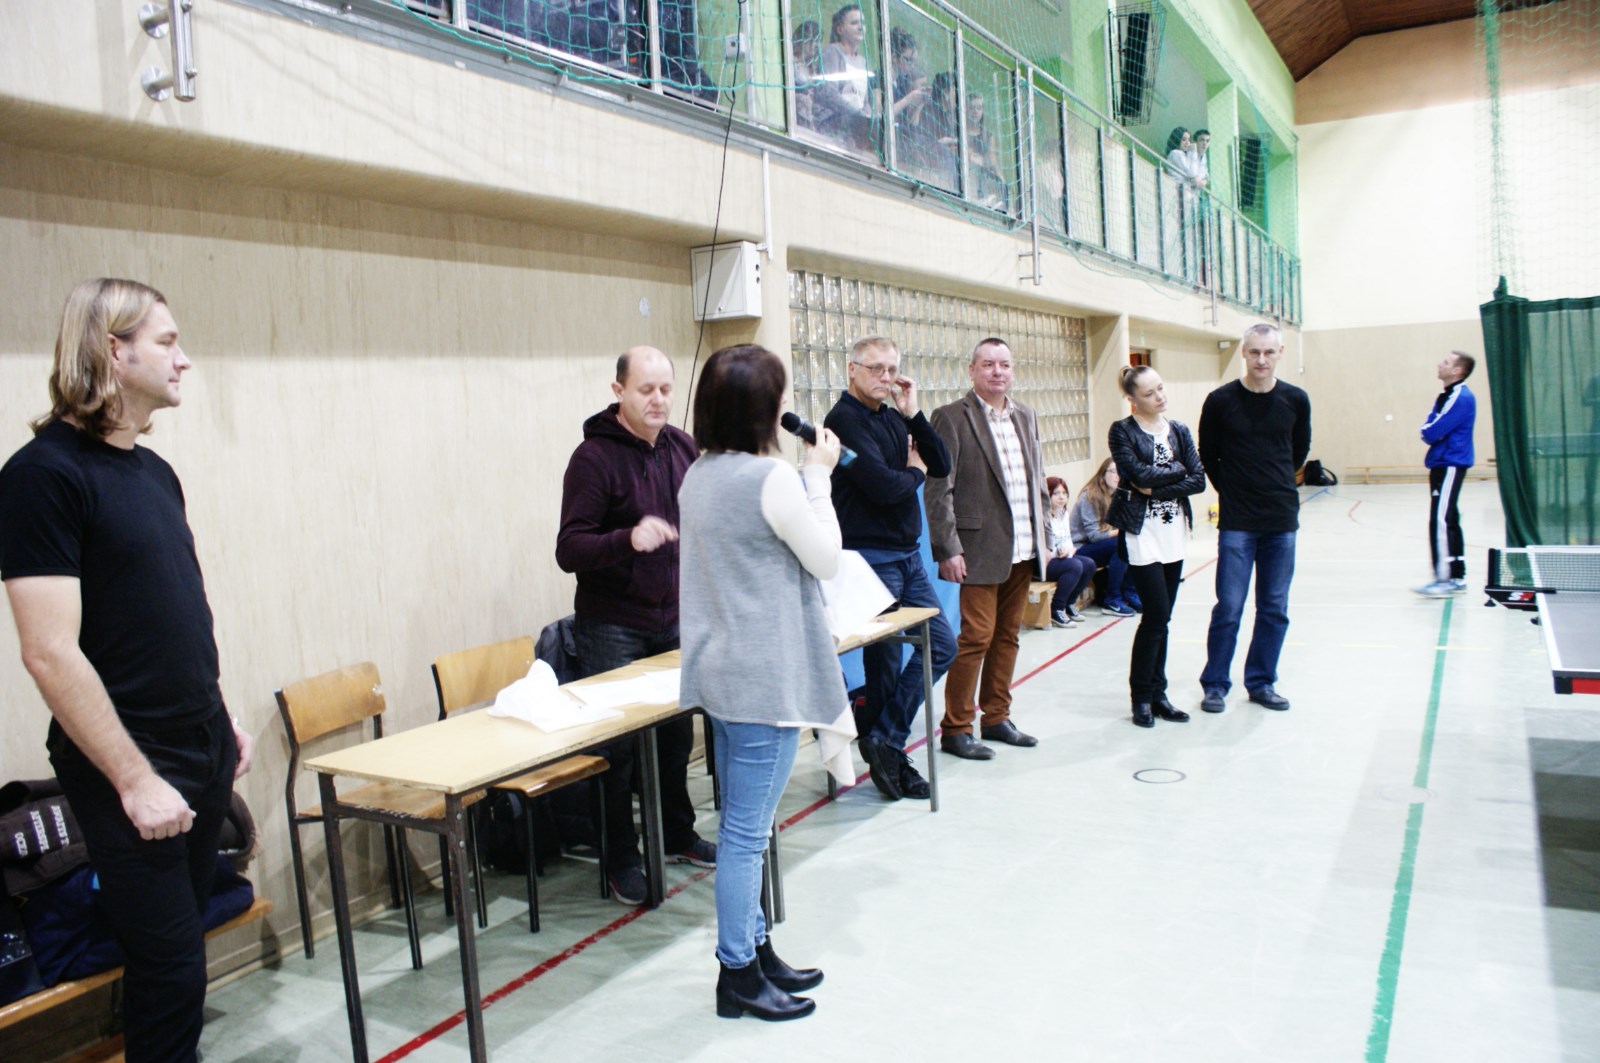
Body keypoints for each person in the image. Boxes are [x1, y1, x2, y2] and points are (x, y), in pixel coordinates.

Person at [0, 278, 255, 1063]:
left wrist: (219, 716)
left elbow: (172, 614)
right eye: (167, 341)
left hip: (199, 740)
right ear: (113, 350)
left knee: (179, 958)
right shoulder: (42, 476)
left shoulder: (154, 472)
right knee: (170, 966)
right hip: (132, 758)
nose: (184, 359)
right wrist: (135, 778)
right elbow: (48, 650)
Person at [678, 344, 852, 1021]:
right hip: (763, 676)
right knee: (746, 836)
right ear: (762, 410)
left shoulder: (697, 475)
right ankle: (737, 973)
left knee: (744, 826)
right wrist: (819, 478)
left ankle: (756, 947)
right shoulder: (771, 479)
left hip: (721, 669)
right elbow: (827, 559)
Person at [555, 345, 715, 907]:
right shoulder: (593, 458)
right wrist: (628, 538)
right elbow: (569, 548)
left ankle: (675, 833)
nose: (658, 400)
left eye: (666, 389)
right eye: (646, 390)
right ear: (618, 391)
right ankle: (621, 858)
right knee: (618, 750)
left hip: (672, 619)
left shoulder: (682, 447)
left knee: (675, 737)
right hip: (613, 625)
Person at [823, 336, 955, 801]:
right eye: (875, 368)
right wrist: (913, 471)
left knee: (942, 645)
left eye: (892, 370)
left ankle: (884, 739)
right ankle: (890, 757)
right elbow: (882, 487)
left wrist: (913, 413)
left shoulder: (894, 417)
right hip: (869, 559)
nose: (885, 377)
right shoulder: (843, 421)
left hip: (907, 555)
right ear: (852, 369)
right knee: (885, 664)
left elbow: (941, 463)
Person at [925, 337, 1048, 760]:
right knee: (975, 637)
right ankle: (956, 728)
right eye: (988, 364)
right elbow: (939, 488)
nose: (998, 372)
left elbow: (1037, 480)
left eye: (1004, 364)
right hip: (977, 547)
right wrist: (947, 548)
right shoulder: (950, 417)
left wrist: (1046, 537)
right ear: (972, 370)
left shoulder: (1026, 415)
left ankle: (996, 718)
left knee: (1008, 637)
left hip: (1024, 546)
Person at [1197, 324, 1313, 714]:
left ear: (1280, 353)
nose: (1261, 360)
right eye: (1254, 352)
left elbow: (1298, 451)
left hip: (1281, 519)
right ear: (1244, 353)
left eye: (1269, 352)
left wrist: (1274, 483)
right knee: (1229, 606)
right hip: (1237, 522)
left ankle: (1262, 682)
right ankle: (1215, 684)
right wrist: (1233, 492)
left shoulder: (1296, 400)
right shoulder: (1220, 401)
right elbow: (1208, 454)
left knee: (1274, 607)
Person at [1107, 366, 1206, 728]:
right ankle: (1141, 697)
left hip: (1173, 533)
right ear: (1132, 399)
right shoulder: (1122, 431)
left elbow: (1199, 479)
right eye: (1149, 393)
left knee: (1164, 618)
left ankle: (1159, 695)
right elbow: (1138, 476)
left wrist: (1159, 485)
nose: (1159, 396)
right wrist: (1178, 472)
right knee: (1155, 615)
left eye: (1160, 388)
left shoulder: (1178, 430)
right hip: (1142, 533)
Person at [1415, 350, 1478, 597]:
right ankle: (1457, 576)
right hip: (1441, 463)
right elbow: (1429, 425)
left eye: (1446, 362)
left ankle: (1444, 579)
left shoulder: (1460, 397)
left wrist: (1428, 431)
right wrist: (1428, 430)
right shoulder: (1446, 396)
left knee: (1440, 520)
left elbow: (1431, 431)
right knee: (1449, 518)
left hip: (1450, 464)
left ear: (1457, 371)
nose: (1439, 364)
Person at [1070, 458, 1137, 616]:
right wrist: (1122, 531)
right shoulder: (1090, 496)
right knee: (1121, 543)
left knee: (1133, 542)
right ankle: (1112, 599)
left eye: (1120, 472)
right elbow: (1094, 536)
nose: (1117, 476)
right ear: (1103, 474)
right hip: (1079, 548)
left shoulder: (1118, 495)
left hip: (1101, 546)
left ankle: (1130, 593)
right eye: (1113, 471)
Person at [822, 5, 876, 154]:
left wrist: (869, 118)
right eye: (854, 23)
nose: (860, 27)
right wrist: (857, 114)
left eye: (863, 23)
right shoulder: (832, 52)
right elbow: (828, 93)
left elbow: (865, 101)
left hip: (853, 130)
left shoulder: (862, 62)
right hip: (832, 125)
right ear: (840, 30)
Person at [1044, 476, 1097, 627]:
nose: (1061, 497)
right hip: (1045, 563)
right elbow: (1046, 548)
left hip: (1061, 558)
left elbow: (1068, 541)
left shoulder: (1064, 513)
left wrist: (1069, 549)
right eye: (1056, 493)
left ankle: (1069, 603)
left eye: (1064, 493)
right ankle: (1056, 609)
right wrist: (1060, 551)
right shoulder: (1044, 516)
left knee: (1089, 564)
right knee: (1074, 566)